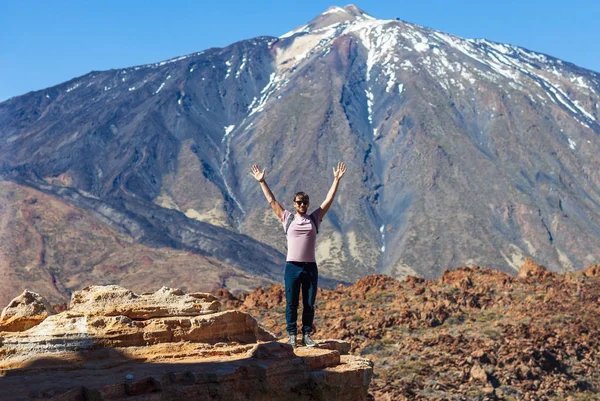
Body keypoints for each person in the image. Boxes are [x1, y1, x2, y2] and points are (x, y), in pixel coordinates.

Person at [250, 162, 347, 348]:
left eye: (304, 202)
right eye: (298, 202)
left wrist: (336, 180)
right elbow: (272, 201)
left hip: (310, 267)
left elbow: (329, 200)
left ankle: (307, 335)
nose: (302, 205)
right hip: (292, 267)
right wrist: (262, 182)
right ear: (294, 204)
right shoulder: (287, 218)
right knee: (292, 303)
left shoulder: (314, 219)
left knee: (309, 303)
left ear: (308, 204)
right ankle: (292, 335)